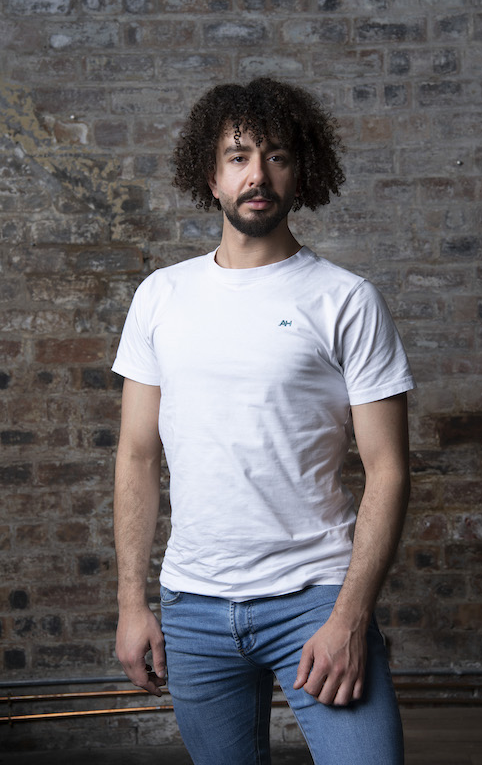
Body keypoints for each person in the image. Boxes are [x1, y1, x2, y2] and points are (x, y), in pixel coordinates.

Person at [112, 77, 415, 765]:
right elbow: (136, 456)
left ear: (300, 173)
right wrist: (132, 604)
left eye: (277, 157)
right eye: (238, 157)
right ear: (211, 176)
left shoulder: (346, 300)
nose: (257, 175)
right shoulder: (161, 296)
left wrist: (350, 617)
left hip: (315, 598)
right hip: (193, 606)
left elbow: (389, 470)